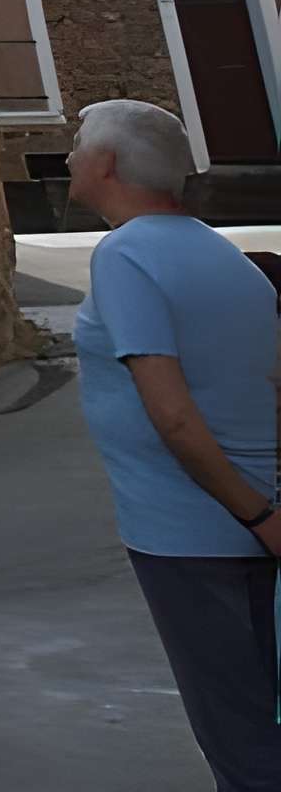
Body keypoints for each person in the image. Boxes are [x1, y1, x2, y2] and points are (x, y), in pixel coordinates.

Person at [66, 98, 281, 789]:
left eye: (78, 144)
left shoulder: (125, 255)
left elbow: (173, 414)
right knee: (260, 720)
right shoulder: (224, 254)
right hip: (252, 521)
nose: (69, 156)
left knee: (239, 740)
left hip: (192, 533)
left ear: (105, 164)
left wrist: (254, 512)